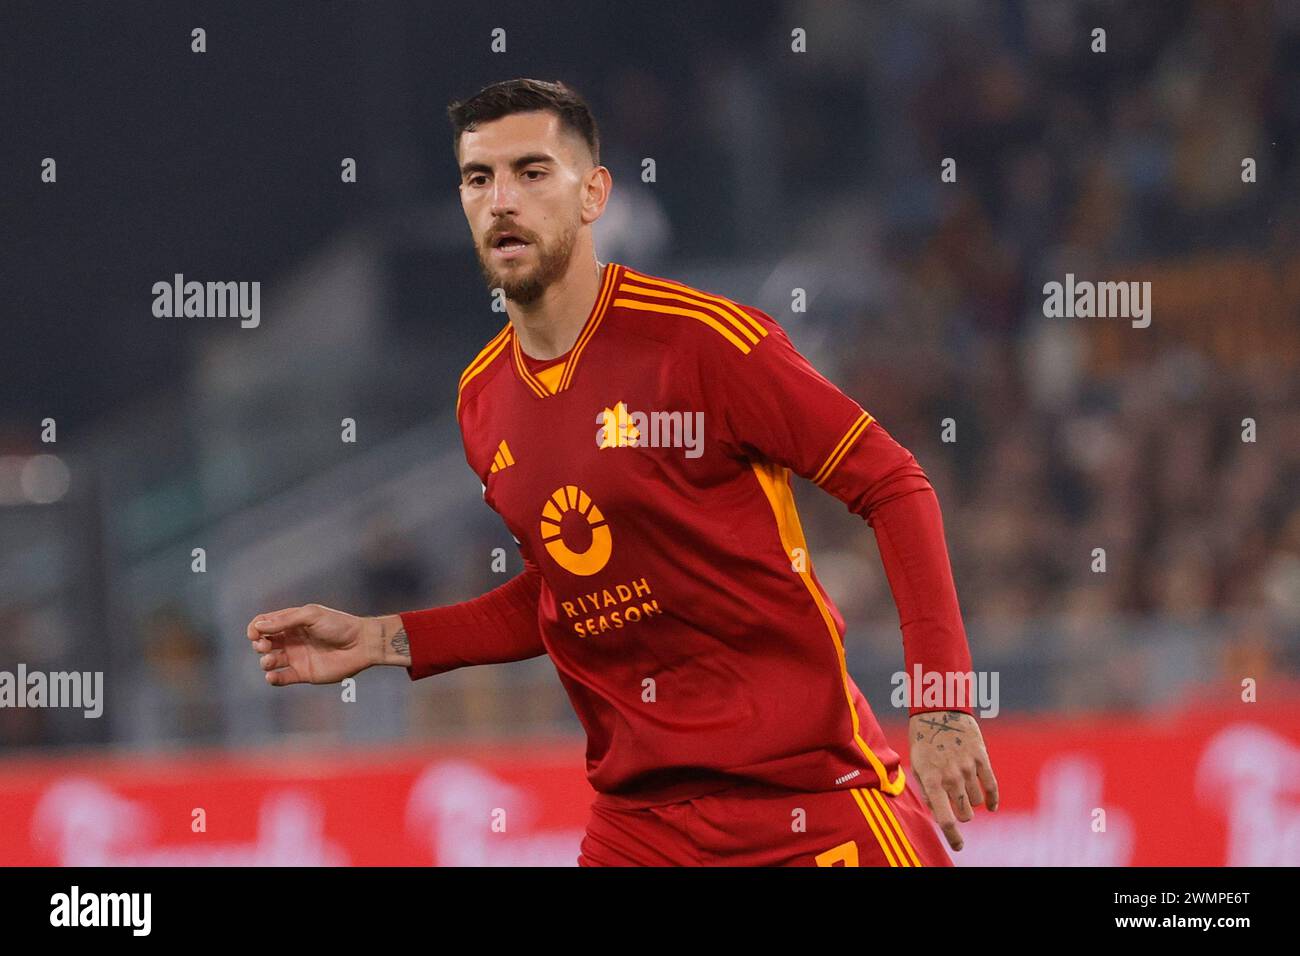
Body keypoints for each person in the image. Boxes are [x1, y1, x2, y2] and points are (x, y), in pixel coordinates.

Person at [246, 77, 998, 866]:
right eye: (479, 178)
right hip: (642, 830)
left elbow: (894, 483)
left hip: (804, 802)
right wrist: (381, 639)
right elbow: (563, 588)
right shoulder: (481, 401)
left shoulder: (703, 344)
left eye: (532, 173)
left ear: (592, 194)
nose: (502, 200)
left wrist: (943, 705)